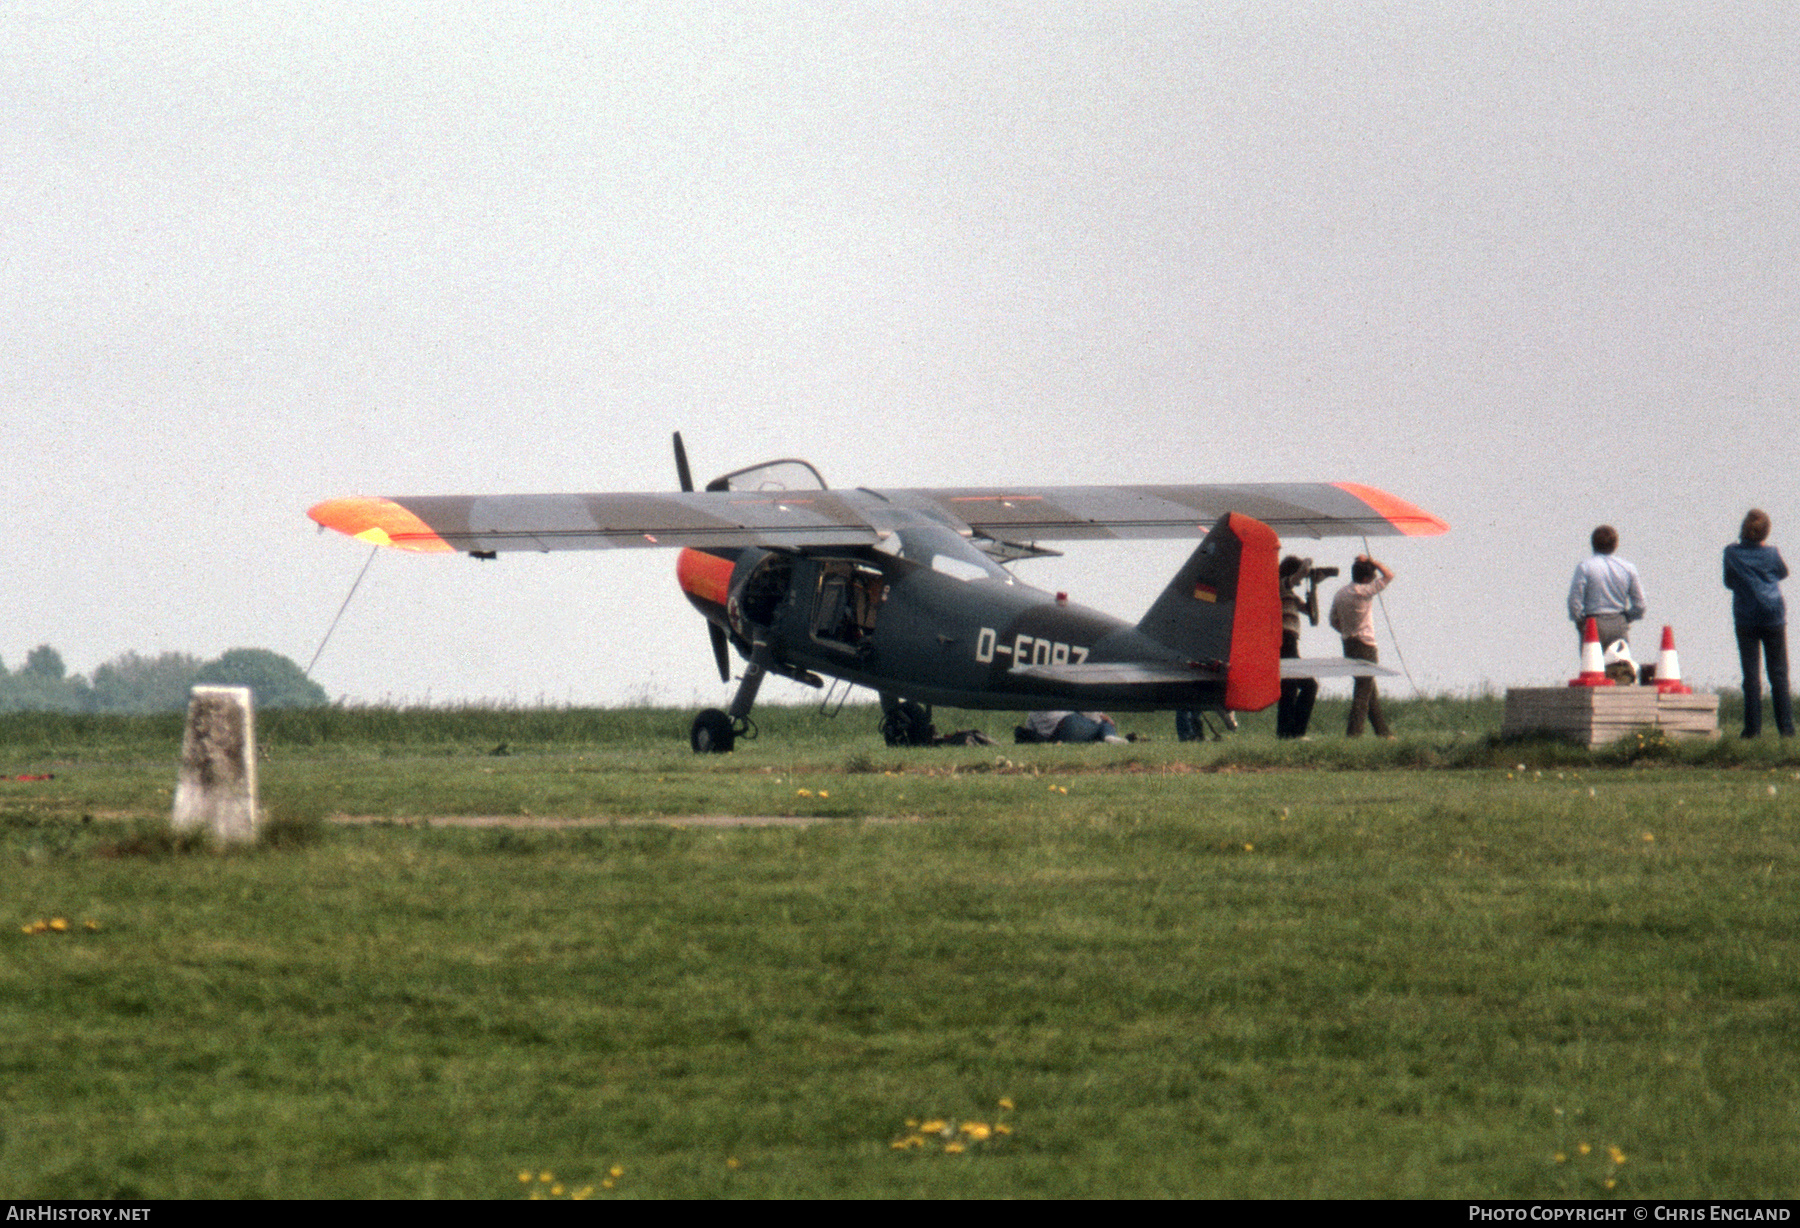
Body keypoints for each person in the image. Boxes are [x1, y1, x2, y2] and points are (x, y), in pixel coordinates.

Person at [1724, 509, 1793, 738]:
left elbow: (1729, 581)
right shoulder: (1772, 553)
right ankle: (1786, 729)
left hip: (1746, 616)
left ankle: (1752, 730)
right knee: (1779, 675)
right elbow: (1783, 573)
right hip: (1773, 614)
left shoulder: (1732, 553)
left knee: (1751, 676)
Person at [1329, 554, 1393, 738]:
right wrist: (1374, 561)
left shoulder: (1341, 593)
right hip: (1366, 645)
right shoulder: (1364, 591)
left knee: (1369, 689)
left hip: (1348, 643)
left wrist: (1347, 630)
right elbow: (1388, 576)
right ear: (1366, 578)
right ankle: (1353, 735)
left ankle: (1384, 733)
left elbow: (1333, 620)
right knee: (1363, 693)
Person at [1568, 525, 1646, 648]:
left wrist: (1580, 621)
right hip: (1618, 623)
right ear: (1615, 544)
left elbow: (1574, 601)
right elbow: (1640, 605)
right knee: (1620, 665)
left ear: (1593, 544)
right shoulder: (1628, 568)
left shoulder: (1585, 567)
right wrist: (1626, 618)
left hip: (1593, 623)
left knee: (1593, 664)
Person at [1277, 555, 1319, 739]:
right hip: (1284, 640)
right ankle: (1295, 732)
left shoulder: (1291, 595)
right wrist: (1308, 564)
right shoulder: (1279, 585)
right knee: (1308, 686)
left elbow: (1313, 617)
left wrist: (1314, 587)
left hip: (1290, 641)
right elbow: (1299, 574)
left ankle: (1286, 733)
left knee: (1289, 688)